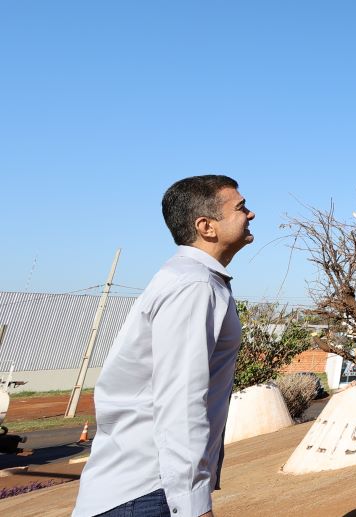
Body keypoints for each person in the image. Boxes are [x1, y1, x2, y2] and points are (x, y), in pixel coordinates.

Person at [73, 175, 253, 517]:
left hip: (144, 493)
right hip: (146, 494)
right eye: (240, 207)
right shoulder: (194, 285)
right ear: (207, 226)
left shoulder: (194, 279)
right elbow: (181, 399)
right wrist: (193, 505)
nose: (251, 214)